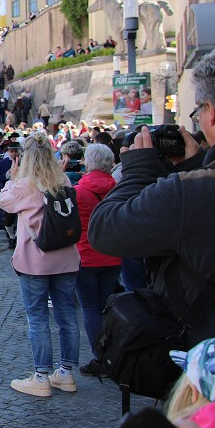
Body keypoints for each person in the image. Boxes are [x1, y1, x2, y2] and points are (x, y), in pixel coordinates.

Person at [90, 44, 215, 345]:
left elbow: (104, 229)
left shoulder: (191, 191)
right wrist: (199, 166)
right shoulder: (201, 183)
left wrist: (138, 170)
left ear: (211, 112)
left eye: (197, 114)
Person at [0, 131, 81, 397]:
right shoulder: (62, 179)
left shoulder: (25, 185)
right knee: (67, 315)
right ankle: (66, 373)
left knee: (38, 318)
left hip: (36, 262)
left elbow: (4, 203)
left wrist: (12, 179)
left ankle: (41, 376)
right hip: (66, 258)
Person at [73, 144, 122, 377]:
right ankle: (112, 353)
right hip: (112, 254)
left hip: (85, 256)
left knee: (90, 308)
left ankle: (100, 357)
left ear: (88, 161)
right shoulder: (118, 188)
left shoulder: (78, 190)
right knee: (106, 307)